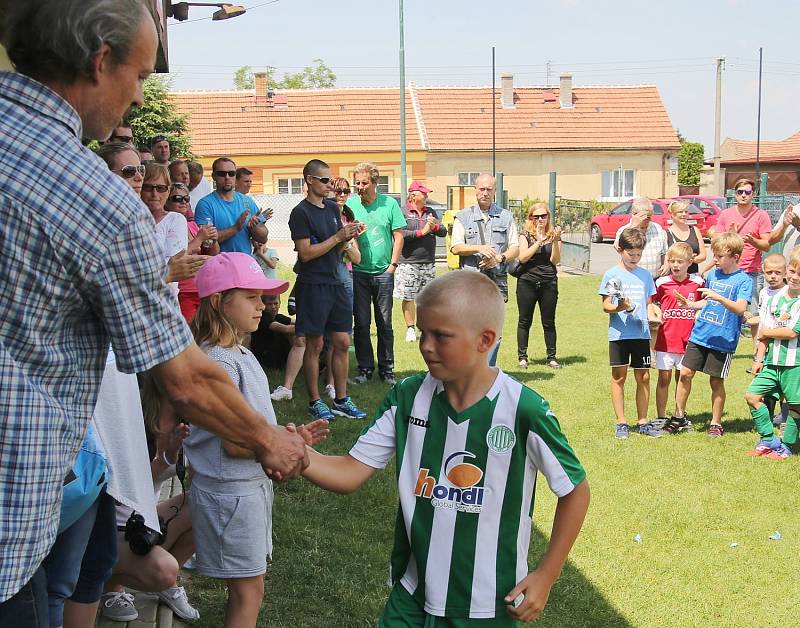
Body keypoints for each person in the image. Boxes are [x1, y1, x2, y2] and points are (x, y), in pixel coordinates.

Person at [0, 2, 308, 620]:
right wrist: (268, 439)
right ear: (99, 60)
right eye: (140, 77)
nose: (139, 100)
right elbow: (186, 380)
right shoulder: (93, 197)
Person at [301, 270, 589, 625]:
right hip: (412, 594)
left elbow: (575, 491)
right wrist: (302, 457)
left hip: (489, 605)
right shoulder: (407, 398)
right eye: (423, 332)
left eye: (441, 336)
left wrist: (546, 576)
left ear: (485, 340)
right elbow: (349, 471)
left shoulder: (522, 409)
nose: (425, 345)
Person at [185, 253, 328, 628]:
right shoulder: (218, 362)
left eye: (261, 297)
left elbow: (254, 428)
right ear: (218, 302)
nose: (262, 305)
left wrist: (288, 438)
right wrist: (282, 447)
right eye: (250, 297)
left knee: (251, 588)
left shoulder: (240, 354)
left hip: (246, 488)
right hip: (230, 493)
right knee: (248, 593)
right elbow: (233, 442)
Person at [289, 159, 367, 420]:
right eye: (324, 180)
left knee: (343, 341)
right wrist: (337, 237)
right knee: (315, 344)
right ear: (310, 180)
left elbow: (337, 243)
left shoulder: (333, 208)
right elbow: (306, 253)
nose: (330, 186)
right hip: (313, 285)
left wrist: (348, 236)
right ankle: (315, 400)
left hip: (336, 282)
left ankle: (341, 399)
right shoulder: (300, 213)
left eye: (330, 180)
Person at [672, 232, 752, 437]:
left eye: (719, 256)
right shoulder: (713, 275)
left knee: (716, 381)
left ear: (735, 257)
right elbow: (706, 301)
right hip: (700, 334)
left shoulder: (744, 280)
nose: (714, 260)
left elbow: (741, 308)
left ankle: (715, 423)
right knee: (685, 374)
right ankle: (679, 416)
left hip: (722, 340)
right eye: (714, 255)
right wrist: (690, 304)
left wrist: (718, 296)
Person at [599, 228, 663, 439]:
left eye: (638, 254)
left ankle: (643, 421)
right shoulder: (612, 275)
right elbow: (606, 305)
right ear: (620, 250)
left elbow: (650, 303)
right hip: (619, 335)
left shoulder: (645, 276)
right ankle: (621, 422)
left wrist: (654, 315)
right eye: (630, 254)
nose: (635, 258)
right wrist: (621, 307)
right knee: (619, 376)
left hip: (641, 334)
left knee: (643, 376)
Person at [346, 162, 406, 385]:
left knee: (385, 322)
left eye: (364, 183)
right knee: (361, 323)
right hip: (358, 272)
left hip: (383, 272)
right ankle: (365, 369)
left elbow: (398, 236)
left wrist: (392, 265)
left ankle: (387, 369)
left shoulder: (389, 204)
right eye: (357, 183)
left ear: (375, 183)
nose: (359, 187)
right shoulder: (351, 205)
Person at [450, 173, 519, 366]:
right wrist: (479, 248)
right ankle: (467, 369)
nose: (485, 193)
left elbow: (515, 248)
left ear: (495, 191)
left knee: (493, 329)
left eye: (489, 189)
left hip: (496, 282)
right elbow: (456, 247)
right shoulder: (463, 217)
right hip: (470, 283)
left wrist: (498, 258)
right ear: (475, 190)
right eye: (482, 189)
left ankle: (488, 371)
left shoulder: (506, 217)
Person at [744, 249, 800, 460]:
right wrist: (758, 358)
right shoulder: (776, 298)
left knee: (795, 405)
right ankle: (768, 438)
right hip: (771, 362)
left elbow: (792, 332)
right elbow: (764, 331)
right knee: (752, 395)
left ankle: (787, 446)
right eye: (792, 271)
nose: (794, 277)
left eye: (799, 274)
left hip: (794, 363)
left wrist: (766, 332)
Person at [707, 178, 771, 341]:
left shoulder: (761, 215)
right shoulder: (726, 214)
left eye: (747, 192)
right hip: (727, 272)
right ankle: (722, 345)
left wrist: (753, 241)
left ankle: (757, 354)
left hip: (751, 271)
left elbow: (766, 245)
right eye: (740, 192)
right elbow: (716, 242)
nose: (743, 195)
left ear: (753, 194)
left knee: (753, 315)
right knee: (724, 312)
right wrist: (729, 235)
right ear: (735, 194)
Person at [650, 243, 703, 431]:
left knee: (684, 378)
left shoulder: (698, 283)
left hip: (688, 341)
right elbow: (651, 301)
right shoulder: (662, 283)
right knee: (664, 378)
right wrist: (654, 311)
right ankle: (661, 416)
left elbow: (705, 302)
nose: (675, 265)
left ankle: (680, 413)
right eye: (672, 261)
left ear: (689, 262)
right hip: (665, 340)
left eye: (680, 261)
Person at [394, 180, 445, 343]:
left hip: (428, 262)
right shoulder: (402, 212)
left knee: (428, 298)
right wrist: (422, 232)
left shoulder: (431, 211)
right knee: (408, 297)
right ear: (414, 195)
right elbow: (401, 234)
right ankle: (410, 329)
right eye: (424, 193)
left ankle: (426, 328)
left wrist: (434, 227)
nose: (427, 195)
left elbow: (443, 231)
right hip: (408, 262)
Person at [515, 202, 562, 370]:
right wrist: (538, 242)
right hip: (527, 282)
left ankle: (552, 357)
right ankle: (522, 357)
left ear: (548, 217)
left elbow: (555, 260)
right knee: (524, 320)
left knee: (549, 321)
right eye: (537, 217)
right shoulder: (525, 235)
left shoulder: (554, 234)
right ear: (531, 218)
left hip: (549, 282)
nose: (541, 219)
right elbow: (522, 258)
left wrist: (554, 242)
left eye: (544, 216)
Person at [165, 181, 220, 322]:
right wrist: (200, 238)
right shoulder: (165, 225)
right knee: (190, 334)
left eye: (186, 198)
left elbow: (213, 254)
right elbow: (177, 257)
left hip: (202, 288)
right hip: (183, 291)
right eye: (177, 198)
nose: (183, 202)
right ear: (166, 201)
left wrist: (213, 241)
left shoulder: (193, 226)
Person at [194, 157, 268, 256]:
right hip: (218, 265)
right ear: (213, 176)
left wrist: (254, 227)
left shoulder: (247, 201)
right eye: (222, 174)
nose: (227, 177)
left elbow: (263, 238)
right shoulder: (205, 204)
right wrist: (235, 228)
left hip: (243, 263)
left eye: (231, 173)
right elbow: (206, 242)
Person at [613, 197, 668, 279]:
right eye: (643, 216)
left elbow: (664, 251)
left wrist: (666, 264)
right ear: (634, 214)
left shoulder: (657, 228)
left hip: (654, 279)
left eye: (649, 217)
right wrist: (633, 226)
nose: (646, 220)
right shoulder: (624, 230)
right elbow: (618, 247)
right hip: (633, 278)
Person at [662, 200, 706, 275]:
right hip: (674, 276)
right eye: (680, 212)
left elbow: (703, 255)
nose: (684, 214)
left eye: (686, 212)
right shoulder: (666, 233)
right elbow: (665, 257)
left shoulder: (694, 230)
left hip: (692, 275)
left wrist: (691, 259)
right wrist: (684, 259)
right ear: (672, 214)